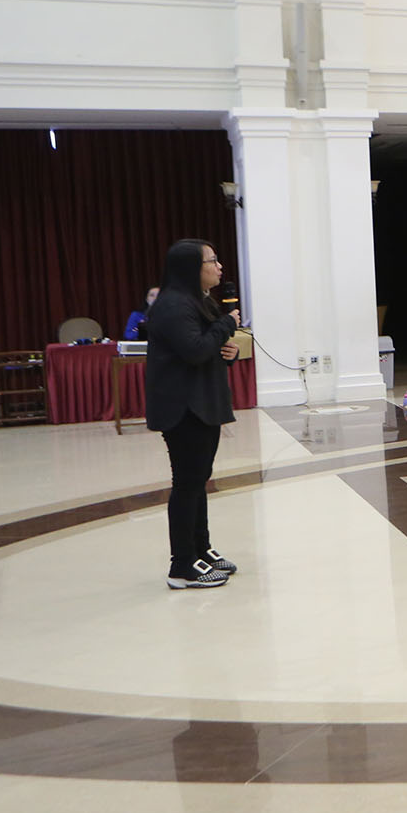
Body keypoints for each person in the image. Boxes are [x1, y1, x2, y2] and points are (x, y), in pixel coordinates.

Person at [146, 238, 241, 590]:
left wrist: (227, 351)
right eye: (212, 261)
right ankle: (182, 566)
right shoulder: (173, 305)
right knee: (187, 484)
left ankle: (201, 549)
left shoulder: (198, 301)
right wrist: (226, 326)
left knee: (199, 480)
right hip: (182, 408)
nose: (219, 267)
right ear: (191, 268)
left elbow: (205, 349)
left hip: (201, 403)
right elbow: (195, 350)